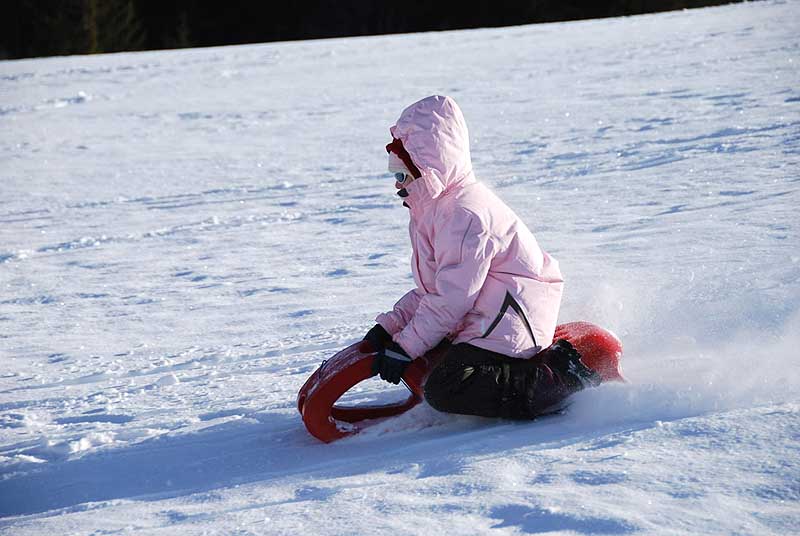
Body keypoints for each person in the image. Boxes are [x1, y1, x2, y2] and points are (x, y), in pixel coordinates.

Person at [364, 95, 600, 420]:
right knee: (436, 355)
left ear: (429, 167)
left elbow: (452, 297)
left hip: (513, 315)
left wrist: (406, 347)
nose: (396, 183)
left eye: (402, 173)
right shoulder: (436, 209)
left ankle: (563, 376)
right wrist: (392, 326)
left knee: (447, 386)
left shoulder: (464, 214)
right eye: (394, 171)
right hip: (488, 310)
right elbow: (437, 287)